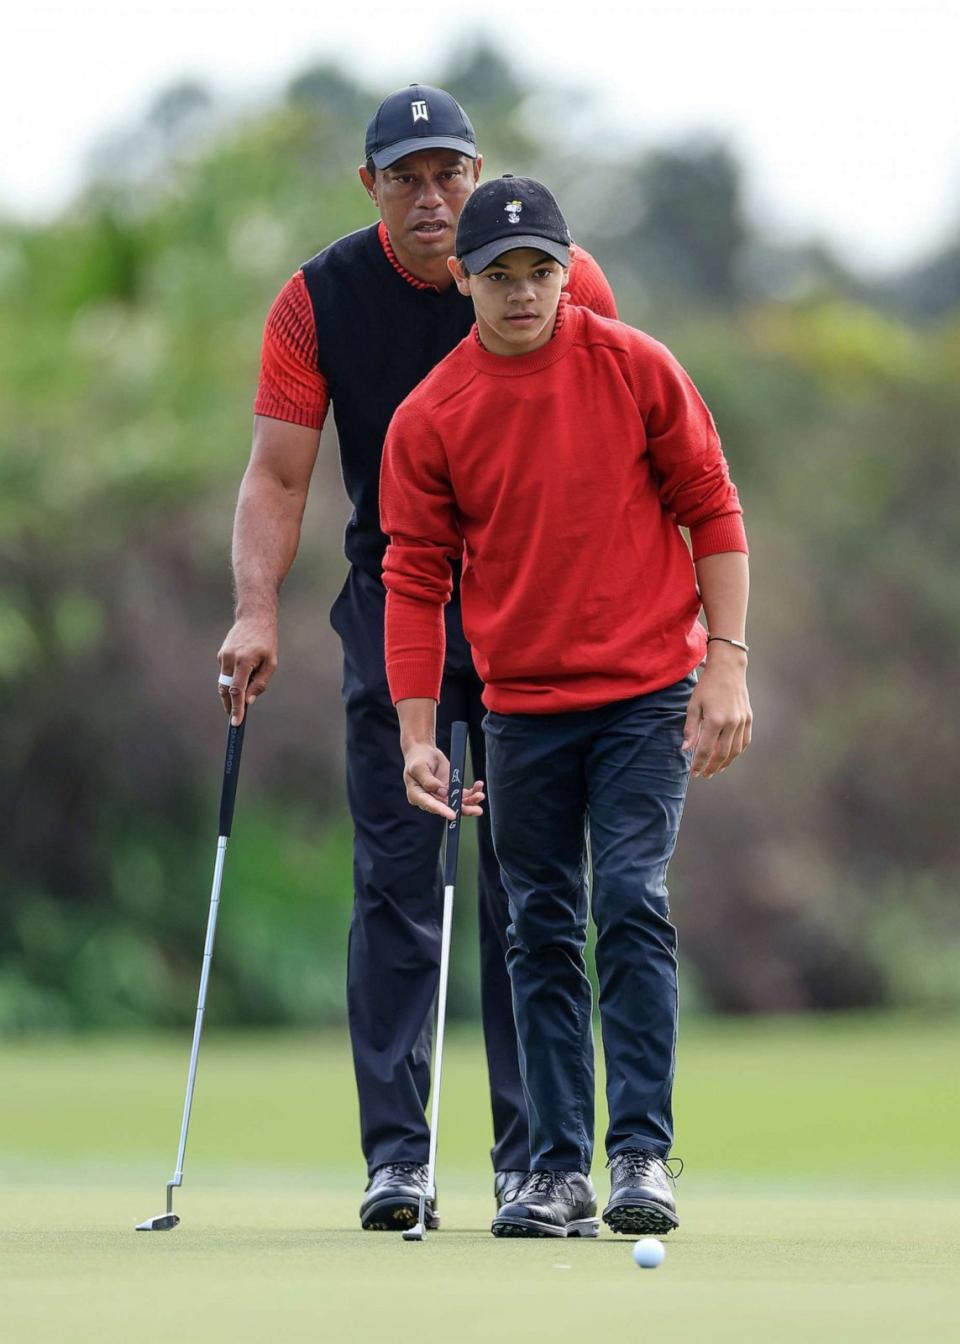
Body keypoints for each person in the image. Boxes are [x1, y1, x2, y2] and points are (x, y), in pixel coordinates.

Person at [216, 87, 618, 1231]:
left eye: (451, 172)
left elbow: (612, 439)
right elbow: (280, 474)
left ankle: (534, 1160)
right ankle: (399, 1161)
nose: (434, 196)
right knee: (398, 882)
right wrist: (256, 611)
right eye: (408, 177)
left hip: (536, 620)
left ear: (481, 168)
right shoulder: (317, 300)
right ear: (371, 186)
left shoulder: (557, 274)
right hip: (393, 605)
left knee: (529, 885)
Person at [381, 175, 751, 1238]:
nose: (525, 292)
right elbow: (415, 579)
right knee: (538, 925)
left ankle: (639, 1153)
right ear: (463, 280)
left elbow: (712, 508)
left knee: (629, 896)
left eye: (542, 269)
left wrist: (726, 665)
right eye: (501, 275)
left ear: (567, 266)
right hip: (522, 709)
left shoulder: (635, 366)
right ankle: (555, 1170)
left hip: (645, 693)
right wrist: (416, 733)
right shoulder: (433, 415)